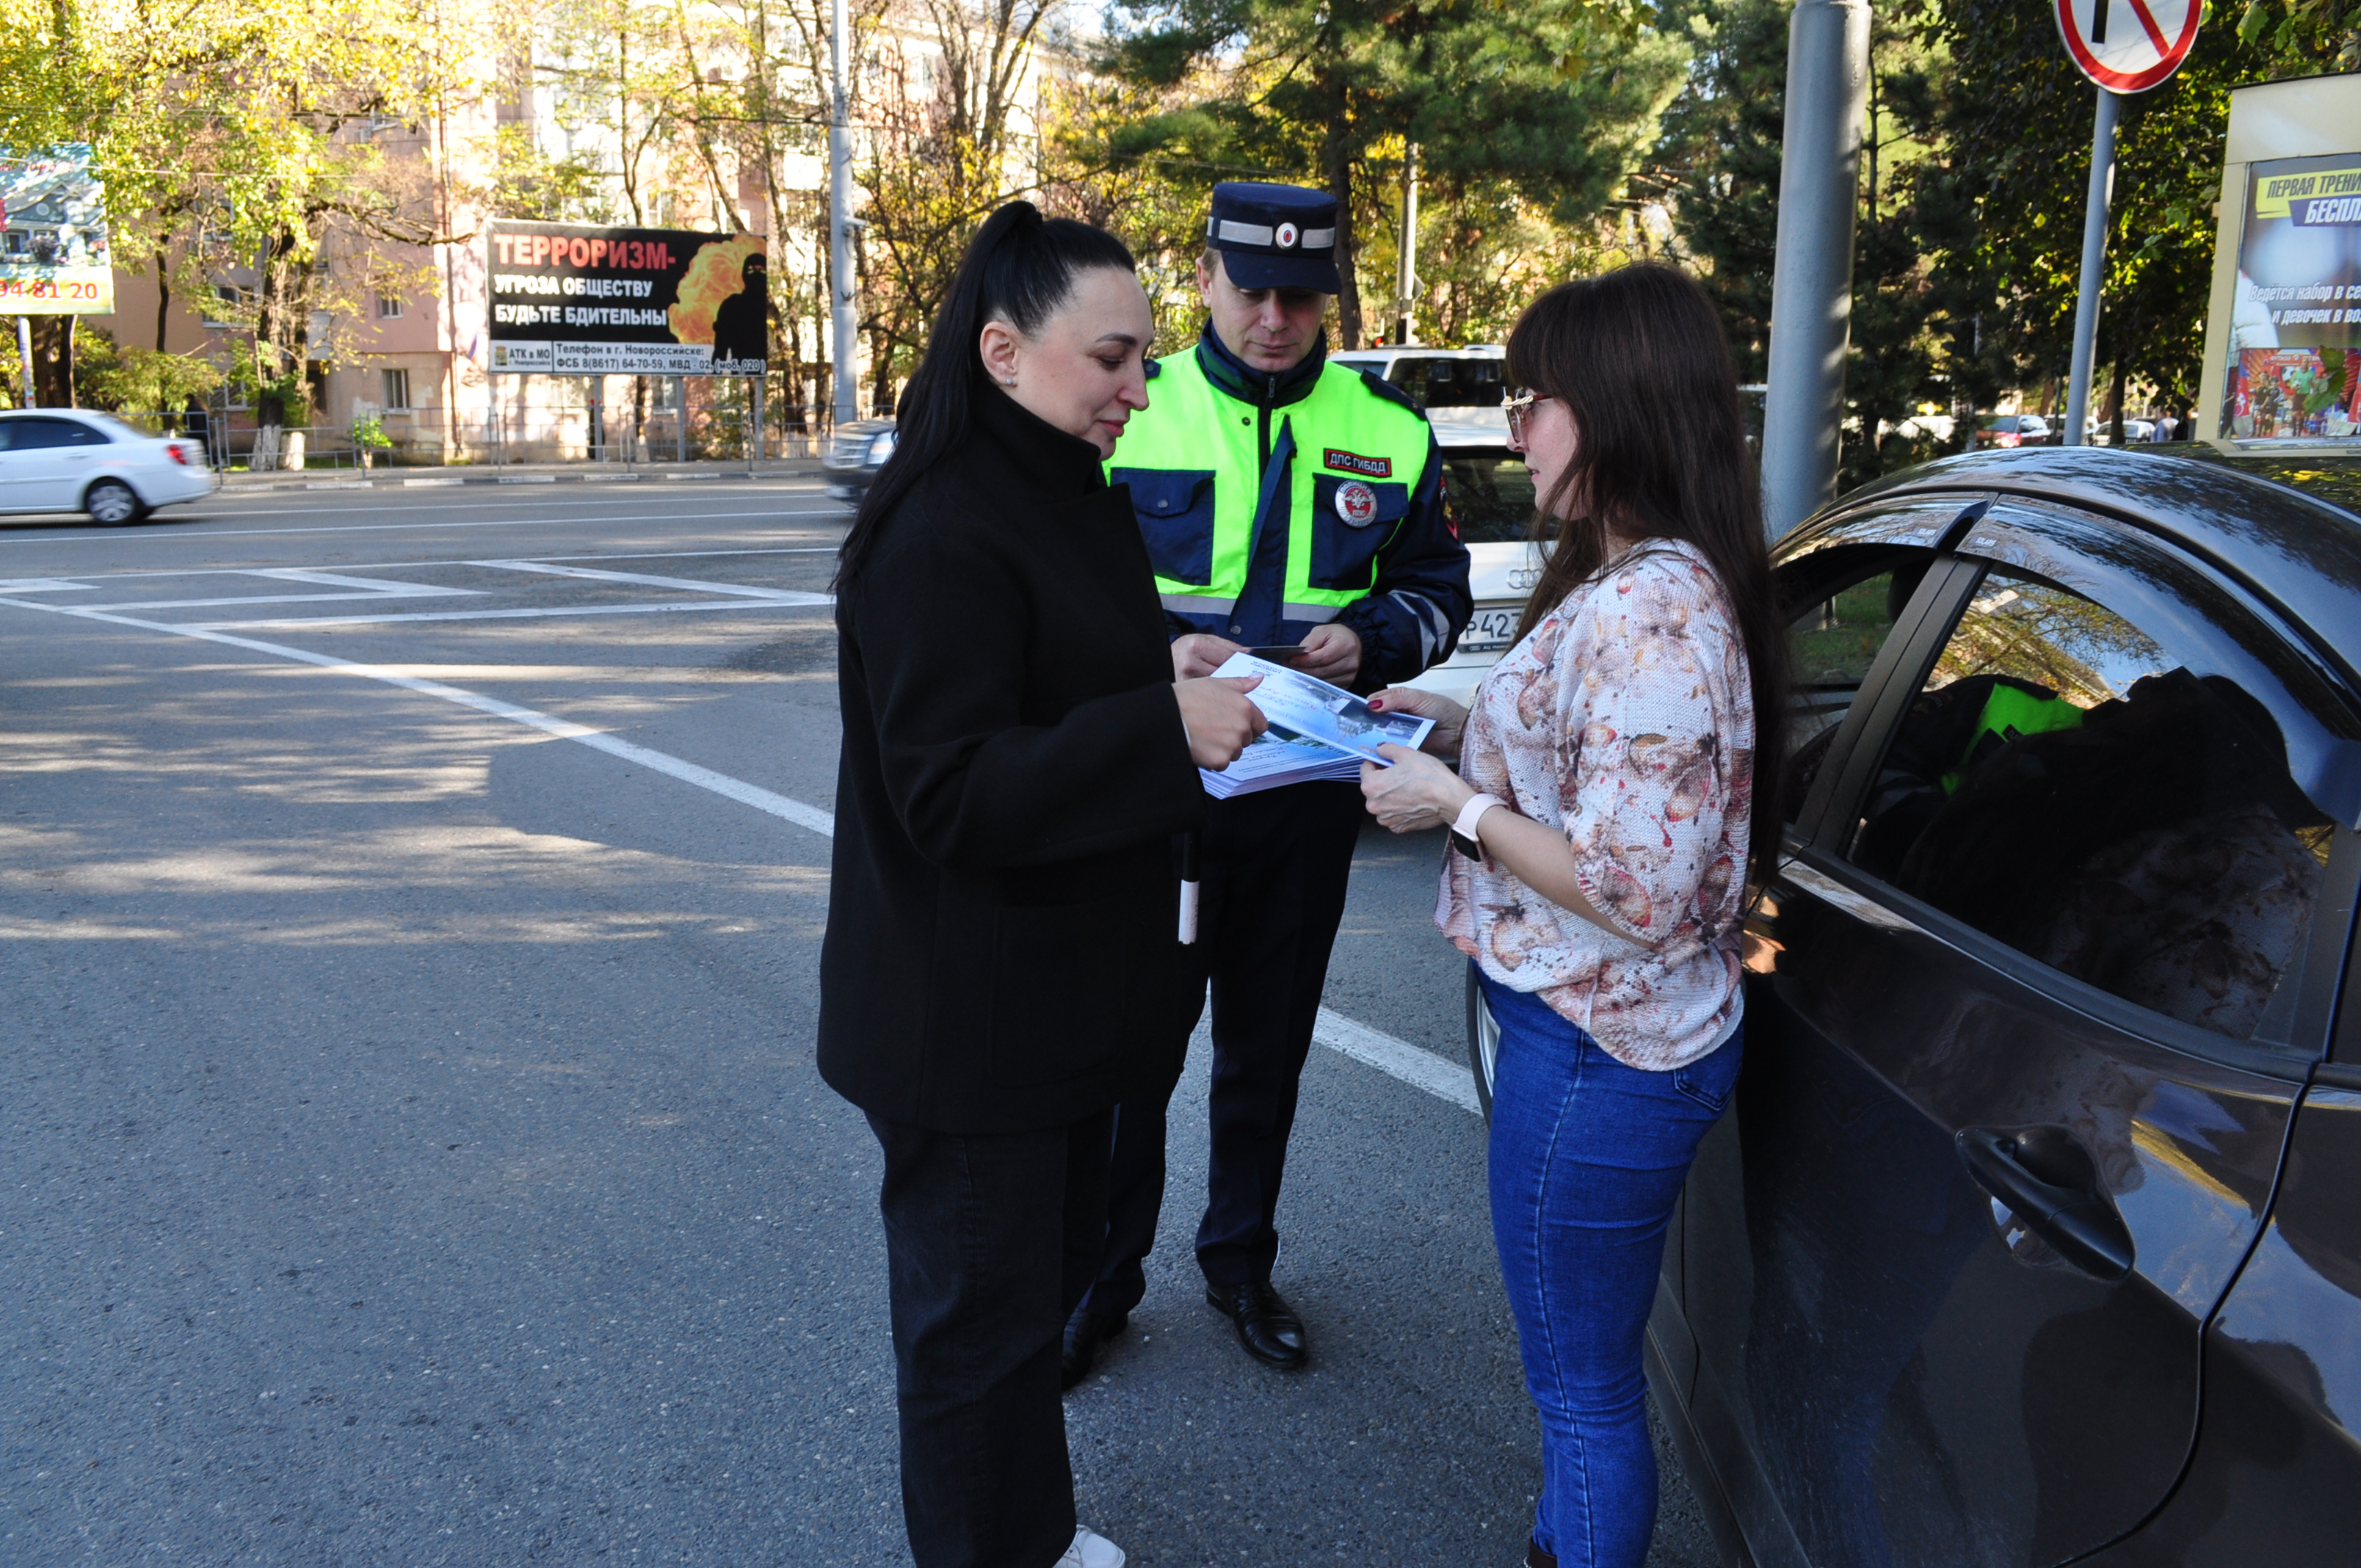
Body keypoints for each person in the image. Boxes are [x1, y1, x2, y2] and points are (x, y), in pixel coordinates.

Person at [820, 202, 1268, 1568]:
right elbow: (949, 787)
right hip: (974, 1032)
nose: (1140, 389)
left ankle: (1029, 1532)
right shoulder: (943, 527)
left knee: (1030, 1305)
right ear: (1005, 352)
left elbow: (1048, 682)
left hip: (1061, 1009)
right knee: (978, 1338)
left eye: (1143, 360)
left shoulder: (1065, 491)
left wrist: (1160, 674)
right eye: (1113, 360)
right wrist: (1154, 731)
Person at [1358, 264, 1788, 1568]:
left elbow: (1637, 889)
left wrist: (1454, 807)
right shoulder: (1632, 580)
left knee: (1586, 1394)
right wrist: (1439, 726)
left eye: (1528, 398)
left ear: (1606, 408)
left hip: (1603, 1048)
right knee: (1582, 1379)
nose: (1513, 427)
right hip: (1596, 1032)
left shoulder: (1655, 611)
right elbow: (1586, 772)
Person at [1068, 181, 1472, 1380]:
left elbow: (1437, 592)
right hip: (1150, 794)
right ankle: (1102, 1281)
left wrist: (1376, 638)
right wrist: (1153, 650)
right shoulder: (1130, 407)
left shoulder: (1391, 430)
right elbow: (1050, 592)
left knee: (1266, 1050)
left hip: (1297, 802)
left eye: (1303, 295)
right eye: (1254, 291)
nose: (1278, 316)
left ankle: (1240, 1266)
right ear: (1206, 279)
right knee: (1131, 1053)